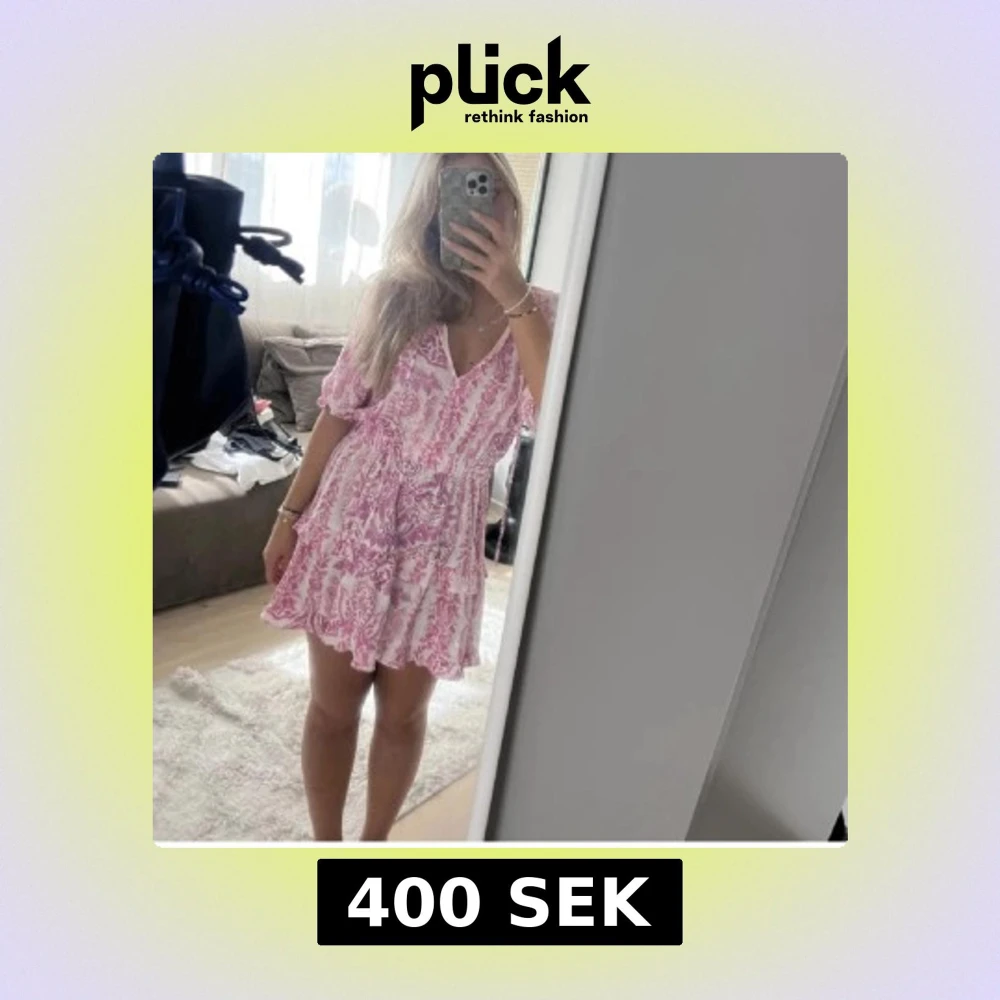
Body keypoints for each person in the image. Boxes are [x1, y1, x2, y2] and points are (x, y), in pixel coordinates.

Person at [260, 153, 557, 840]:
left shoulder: (542, 313)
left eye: (489, 188)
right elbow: (338, 411)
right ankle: (327, 848)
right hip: (354, 517)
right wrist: (288, 517)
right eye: (461, 191)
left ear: (513, 204)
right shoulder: (396, 295)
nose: (479, 206)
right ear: (433, 208)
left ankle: (373, 847)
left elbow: (556, 413)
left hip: (445, 540)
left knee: (402, 716)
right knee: (332, 709)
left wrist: (511, 292)